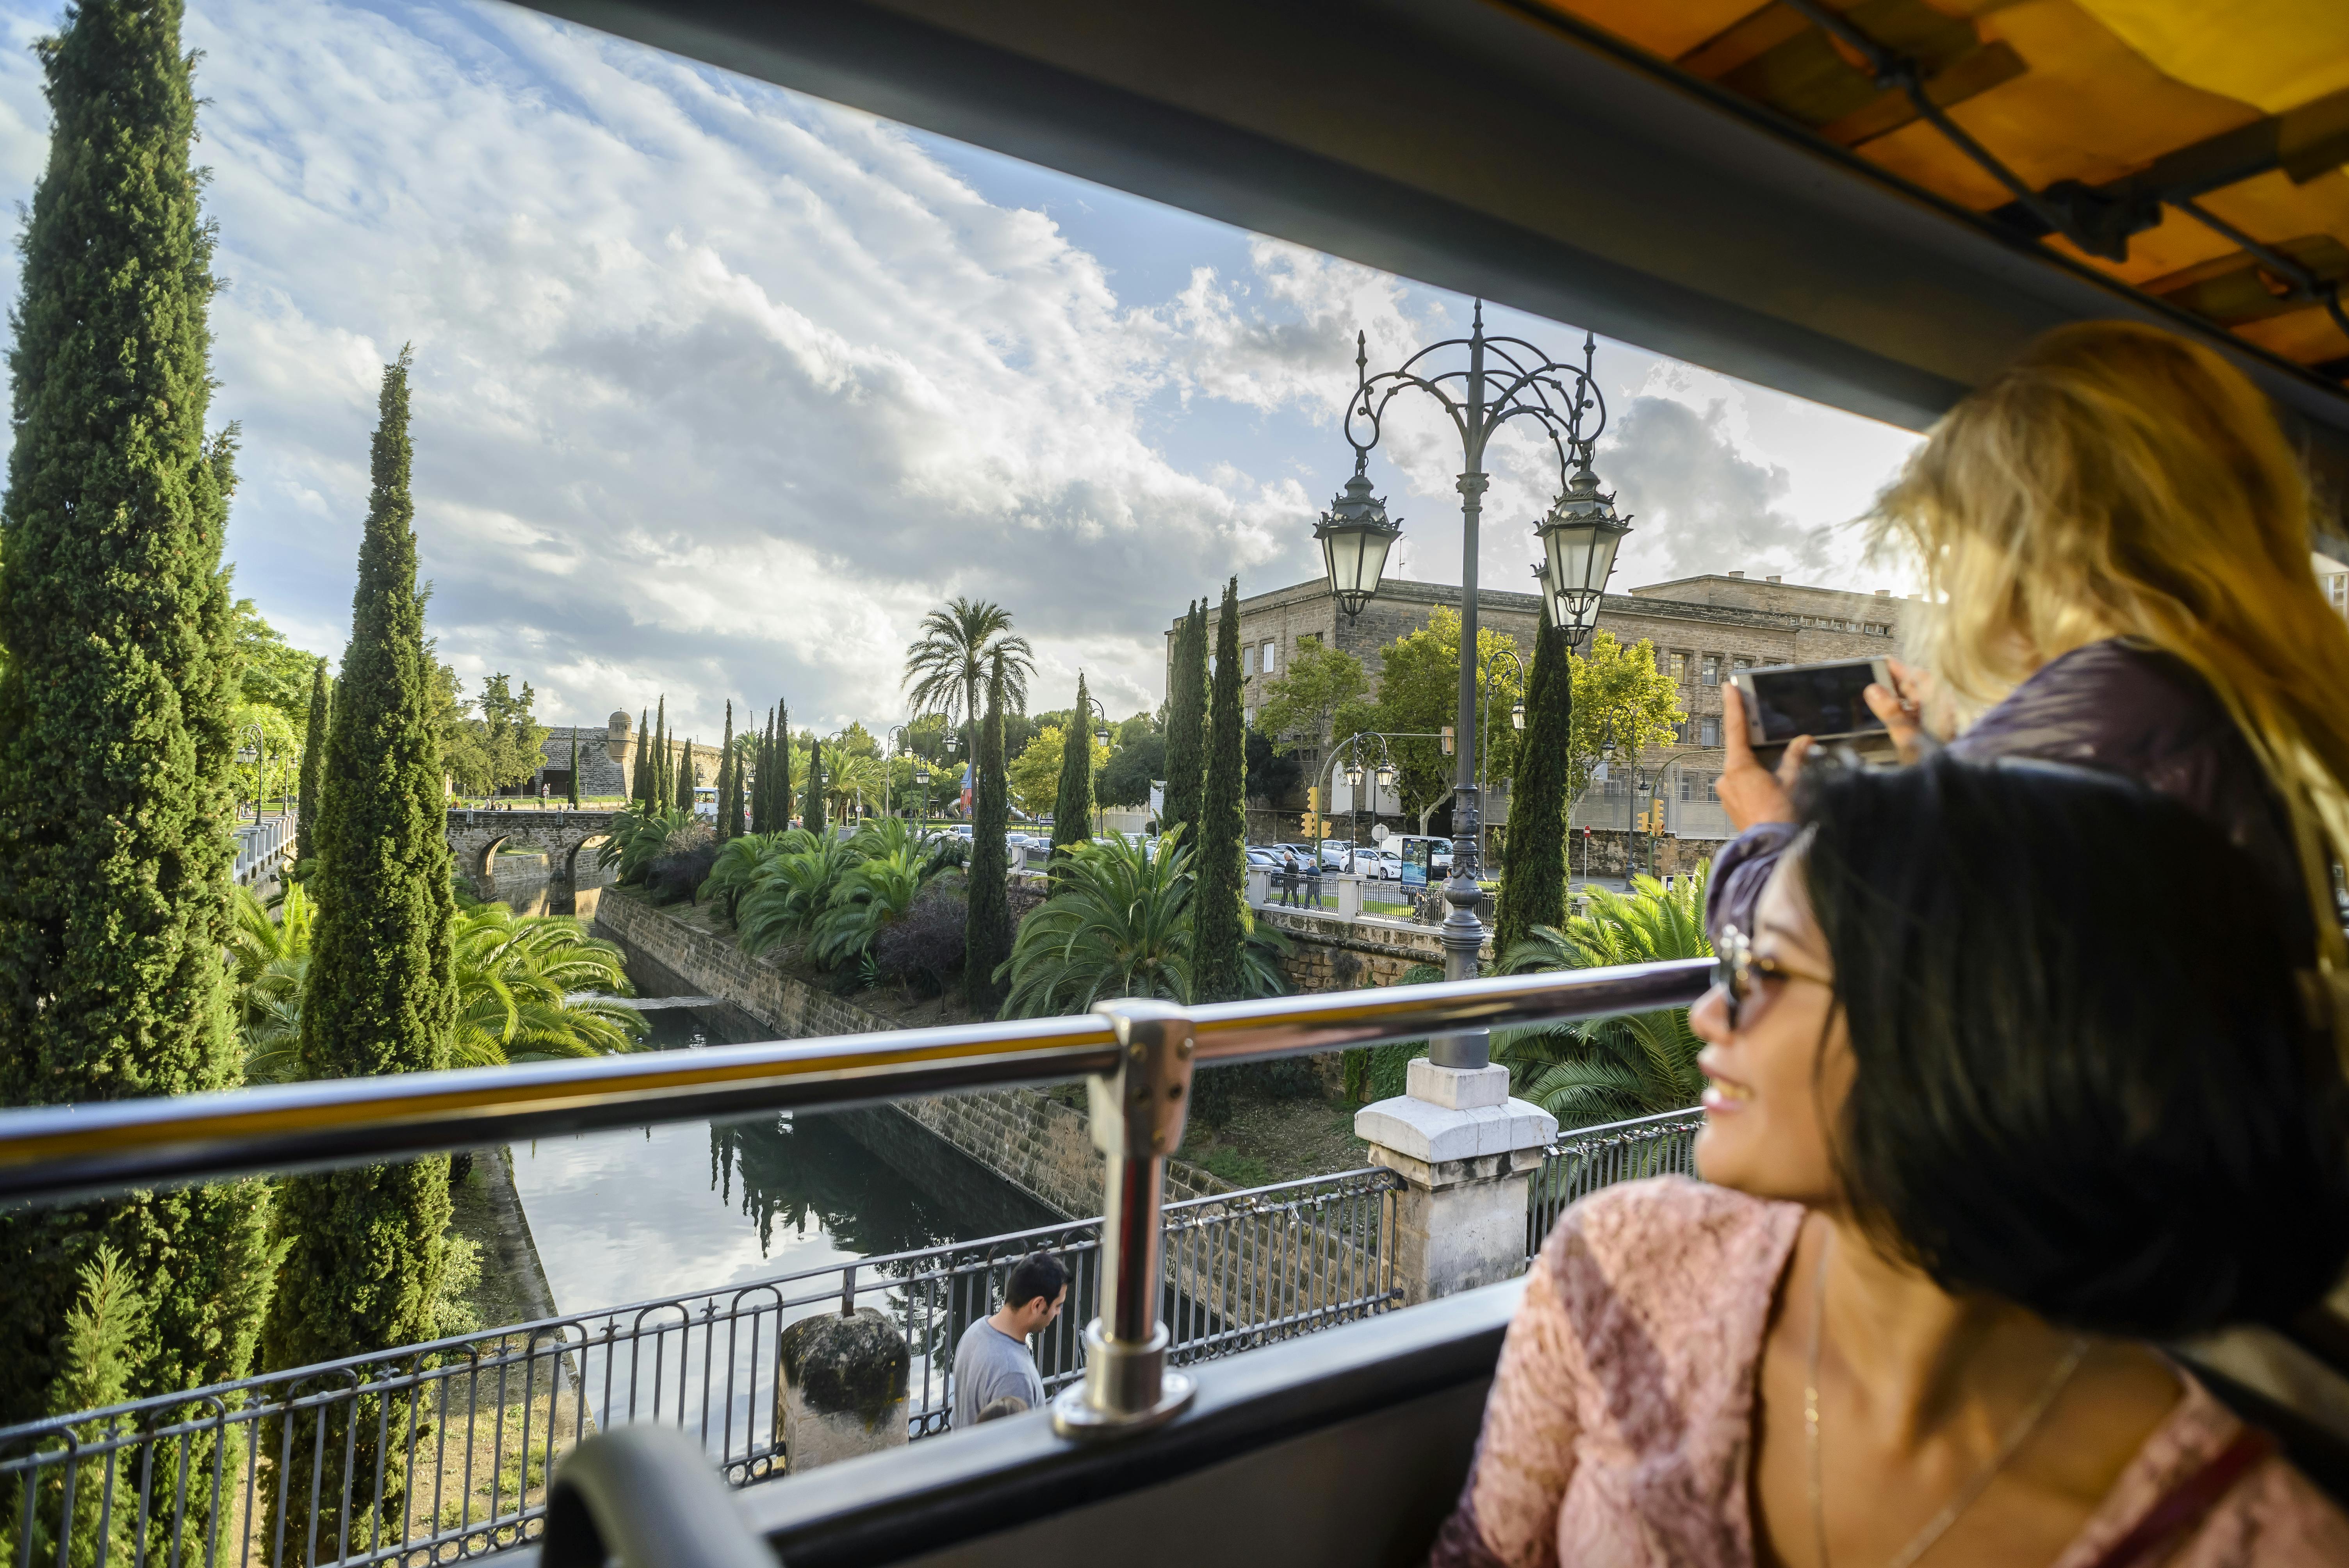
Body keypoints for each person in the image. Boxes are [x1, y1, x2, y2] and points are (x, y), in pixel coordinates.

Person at [1431, 757, 2349, 1568]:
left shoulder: (2251, 1539)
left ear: (1974, 1037)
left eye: (1767, 970)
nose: (1708, 1012)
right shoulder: (1622, 1265)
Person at [1709, 322, 2349, 1008]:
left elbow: (1843, 972)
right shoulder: (2245, 700)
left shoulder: (2074, 735)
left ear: (2018, 550)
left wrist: (1765, 837)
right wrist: (1946, 770)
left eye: (1951, 539)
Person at [951, 1250, 1068, 1428]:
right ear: (1038, 1305)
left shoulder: (976, 1331)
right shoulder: (1014, 1376)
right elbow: (1016, 1442)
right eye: (1057, 1306)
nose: (1058, 1313)